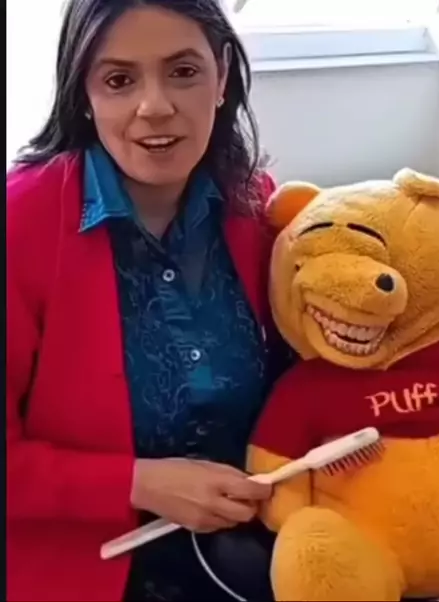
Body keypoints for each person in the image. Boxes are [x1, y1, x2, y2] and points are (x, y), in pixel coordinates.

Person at [6, 1, 290, 600]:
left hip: (250, 549)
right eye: (119, 80)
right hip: (83, 568)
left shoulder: (259, 207)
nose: (155, 106)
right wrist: (136, 483)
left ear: (221, 77)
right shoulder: (19, 225)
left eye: (183, 72)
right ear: (83, 94)